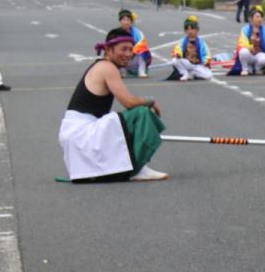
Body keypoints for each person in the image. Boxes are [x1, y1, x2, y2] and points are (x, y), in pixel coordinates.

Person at [59, 28, 167, 182]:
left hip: (77, 135)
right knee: (140, 113)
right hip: (81, 135)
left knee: (122, 120)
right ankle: (137, 168)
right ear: (108, 50)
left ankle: (132, 166)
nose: (129, 54)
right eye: (124, 49)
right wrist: (151, 101)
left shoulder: (103, 65)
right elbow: (129, 102)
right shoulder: (107, 67)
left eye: (131, 50)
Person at [229, 6, 265, 76]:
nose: (260, 19)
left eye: (260, 17)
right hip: (248, 53)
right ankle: (245, 68)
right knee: (243, 52)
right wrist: (249, 47)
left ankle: (256, 68)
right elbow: (242, 41)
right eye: (257, 17)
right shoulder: (245, 29)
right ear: (251, 19)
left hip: (258, 54)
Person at [171, 15, 213, 81]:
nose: (190, 31)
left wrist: (206, 61)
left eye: (192, 29)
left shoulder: (201, 43)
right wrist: (177, 54)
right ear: (185, 31)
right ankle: (184, 73)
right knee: (174, 61)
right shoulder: (182, 42)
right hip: (187, 63)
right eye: (187, 29)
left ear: (197, 30)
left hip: (197, 65)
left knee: (209, 75)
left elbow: (207, 53)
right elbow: (177, 49)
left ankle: (192, 73)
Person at [116, 10, 151, 78]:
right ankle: (121, 71)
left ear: (131, 22)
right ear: (120, 21)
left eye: (128, 20)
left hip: (134, 58)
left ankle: (141, 70)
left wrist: (133, 51)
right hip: (122, 58)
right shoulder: (115, 33)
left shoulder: (137, 33)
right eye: (123, 20)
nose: (126, 22)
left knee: (143, 49)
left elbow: (142, 43)